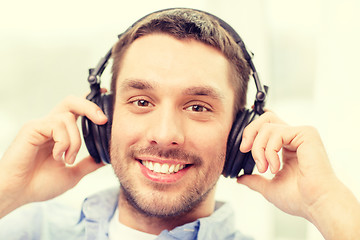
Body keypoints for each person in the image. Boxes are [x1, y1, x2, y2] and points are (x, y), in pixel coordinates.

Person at [0, 8, 359, 240]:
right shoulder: (30, 230)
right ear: (103, 116)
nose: (165, 134)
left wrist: (325, 204)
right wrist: (8, 190)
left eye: (198, 107)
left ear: (240, 131)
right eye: (142, 102)